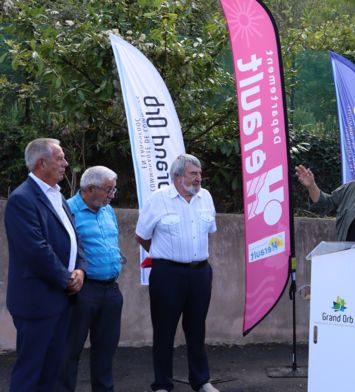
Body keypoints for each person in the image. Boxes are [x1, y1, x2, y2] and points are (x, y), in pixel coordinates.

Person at [4, 137, 86, 391]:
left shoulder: (57, 195)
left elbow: (74, 236)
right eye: (60, 158)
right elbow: (35, 251)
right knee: (31, 372)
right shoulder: (22, 199)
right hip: (37, 300)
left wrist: (80, 269)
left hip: (61, 298)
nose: (65, 163)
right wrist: (66, 279)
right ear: (41, 163)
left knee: (53, 371)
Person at [135, 154, 219, 392]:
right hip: (167, 274)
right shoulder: (158, 200)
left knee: (197, 328)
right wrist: (164, 254)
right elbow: (141, 235)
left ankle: (201, 380)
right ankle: (162, 384)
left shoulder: (206, 198)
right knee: (164, 330)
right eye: (193, 173)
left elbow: (209, 230)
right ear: (178, 176)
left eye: (200, 173)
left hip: (200, 273)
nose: (198, 178)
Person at [59, 166, 123, 392]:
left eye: (113, 190)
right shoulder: (67, 210)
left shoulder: (108, 210)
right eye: (108, 190)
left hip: (111, 290)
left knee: (106, 351)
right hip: (83, 291)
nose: (112, 195)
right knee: (70, 350)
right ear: (89, 189)